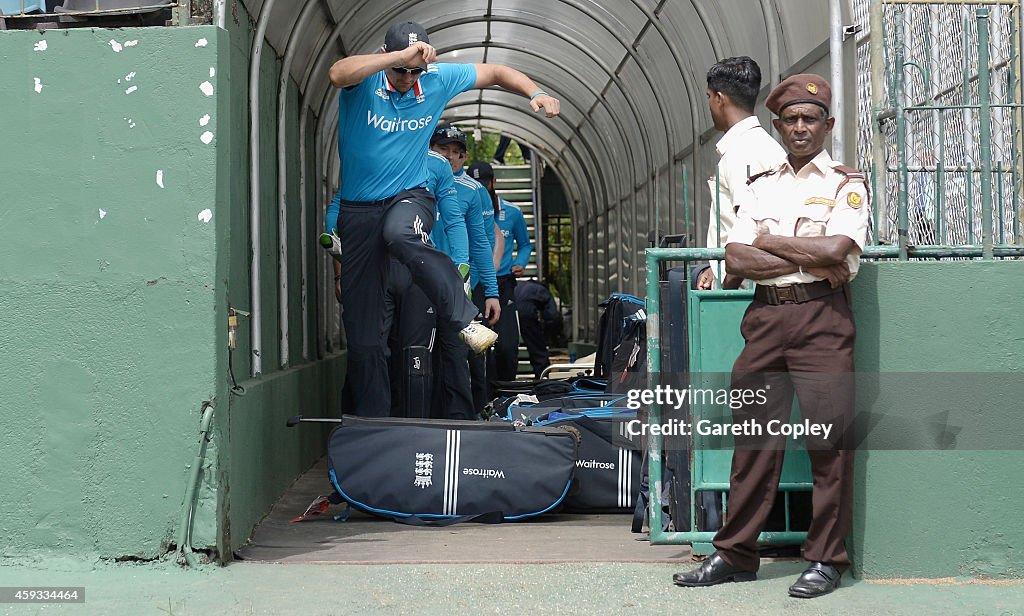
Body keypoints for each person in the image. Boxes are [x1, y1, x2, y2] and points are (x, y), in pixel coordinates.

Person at [671, 74, 870, 599]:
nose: (800, 128)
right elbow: (736, 259)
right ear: (777, 126)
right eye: (791, 119)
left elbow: (838, 252)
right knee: (754, 441)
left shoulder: (846, 183)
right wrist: (804, 249)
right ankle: (736, 553)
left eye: (810, 119)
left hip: (823, 320)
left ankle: (826, 558)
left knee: (830, 442)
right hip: (765, 320)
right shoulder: (761, 184)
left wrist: (773, 241)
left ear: (827, 126)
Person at [325, 20, 560, 417]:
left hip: (408, 195)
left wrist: (535, 91)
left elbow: (497, 72)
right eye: (401, 70)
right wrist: (398, 58)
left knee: (401, 232)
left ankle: (463, 318)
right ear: (386, 58)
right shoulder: (365, 80)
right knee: (366, 346)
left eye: (416, 71)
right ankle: (374, 436)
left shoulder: (437, 79)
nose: (407, 78)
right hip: (358, 210)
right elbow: (336, 73)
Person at [426, 123, 501, 419]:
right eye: (442, 149)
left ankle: (462, 424)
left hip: (459, 287)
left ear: (464, 158)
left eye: (457, 153)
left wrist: (490, 292)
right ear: (430, 150)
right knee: (418, 355)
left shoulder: (474, 191)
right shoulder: (415, 178)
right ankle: (415, 422)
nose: (449, 157)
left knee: (458, 357)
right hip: (417, 282)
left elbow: (481, 243)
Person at [696, 56, 785, 291]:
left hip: (743, 293)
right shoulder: (754, 145)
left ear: (719, 98)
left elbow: (756, 230)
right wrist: (714, 270)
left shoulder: (746, 151)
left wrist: (727, 285)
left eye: (709, 97)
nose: (709, 105)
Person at [471, 161, 533, 384]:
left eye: (484, 184)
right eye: (475, 184)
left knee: (507, 345)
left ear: (493, 183)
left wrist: (521, 262)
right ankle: (483, 395)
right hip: (476, 283)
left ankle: (505, 391)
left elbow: (525, 244)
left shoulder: (512, 212)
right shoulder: (464, 209)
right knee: (478, 344)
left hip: (503, 282)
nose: (480, 188)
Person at [513, 278, 561, 378]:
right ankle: (542, 378)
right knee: (538, 350)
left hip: (508, 308)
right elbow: (553, 317)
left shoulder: (519, 285)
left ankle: (506, 379)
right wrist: (546, 336)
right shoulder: (542, 290)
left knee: (508, 348)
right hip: (526, 313)